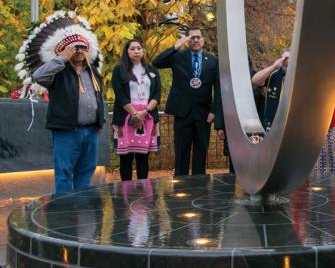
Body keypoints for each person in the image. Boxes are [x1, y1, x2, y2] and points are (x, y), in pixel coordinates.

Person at [32, 33, 105, 193]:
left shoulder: (92, 72)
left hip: (91, 130)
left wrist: (100, 120)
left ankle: (80, 208)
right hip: (67, 131)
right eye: (75, 47)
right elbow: (38, 76)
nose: (79, 51)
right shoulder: (58, 70)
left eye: (83, 47)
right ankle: (63, 213)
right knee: (64, 173)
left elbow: (99, 98)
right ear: (65, 49)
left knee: (86, 171)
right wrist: (62, 58)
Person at [153, 27, 221, 176]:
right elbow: (156, 62)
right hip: (182, 112)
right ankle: (181, 185)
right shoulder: (178, 57)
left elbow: (218, 88)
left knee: (201, 152)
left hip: (204, 113)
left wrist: (214, 110)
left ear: (203, 40)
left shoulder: (213, 61)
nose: (195, 40)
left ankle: (199, 185)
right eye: (191, 38)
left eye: (198, 37)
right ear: (187, 41)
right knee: (181, 151)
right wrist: (176, 46)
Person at [111, 39, 162, 181]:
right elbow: (120, 95)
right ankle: (125, 191)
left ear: (143, 51)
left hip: (148, 116)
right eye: (132, 48)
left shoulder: (152, 71)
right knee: (126, 158)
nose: (136, 51)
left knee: (143, 157)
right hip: (126, 114)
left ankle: (142, 192)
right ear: (126, 52)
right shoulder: (119, 70)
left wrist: (144, 112)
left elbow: (157, 94)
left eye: (139, 48)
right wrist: (134, 113)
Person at [251, 49, 289, 131]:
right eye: (284, 58)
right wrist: (274, 66)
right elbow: (255, 80)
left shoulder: (300, 77)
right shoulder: (274, 74)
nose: (287, 61)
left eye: (289, 58)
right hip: (272, 125)